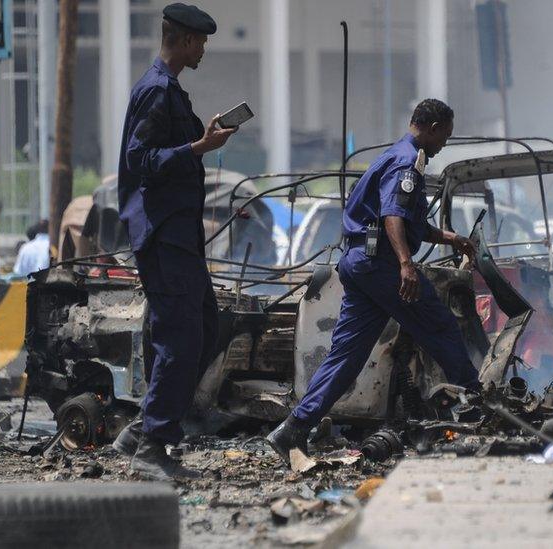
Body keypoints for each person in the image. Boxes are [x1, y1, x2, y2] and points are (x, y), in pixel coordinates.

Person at [266, 99, 482, 465]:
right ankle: (480, 405)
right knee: (441, 325)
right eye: (444, 136)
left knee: (346, 355)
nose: (444, 144)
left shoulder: (394, 155)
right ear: (430, 128)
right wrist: (405, 264)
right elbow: (393, 217)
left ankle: (292, 429)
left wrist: (450, 238)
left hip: (359, 263)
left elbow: (409, 221)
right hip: (381, 265)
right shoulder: (406, 163)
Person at [111, 3, 237, 479]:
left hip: (178, 237)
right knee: (180, 338)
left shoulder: (169, 91)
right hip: (163, 235)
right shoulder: (157, 91)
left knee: (203, 326)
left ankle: (142, 429)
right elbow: (140, 159)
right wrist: (199, 148)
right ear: (184, 40)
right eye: (200, 40)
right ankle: (152, 450)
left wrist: (199, 142)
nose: (203, 48)